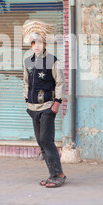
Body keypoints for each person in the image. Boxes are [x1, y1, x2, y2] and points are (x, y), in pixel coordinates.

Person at [22, 20, 66, 188]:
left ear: (45, 43)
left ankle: (58, 174)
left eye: (39, 42)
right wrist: (26, 100)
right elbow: (25, 83)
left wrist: (57, 103)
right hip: (33, 108)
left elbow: (60, 83)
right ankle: (52, 174)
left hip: (47, 107)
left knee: (46, 140)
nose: (36, 46)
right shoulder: (28, 62)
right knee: (41, 142)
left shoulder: (53, 61)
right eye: (33, 43)